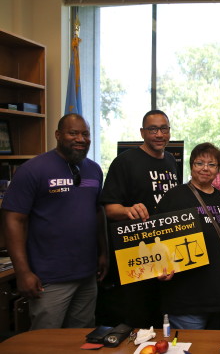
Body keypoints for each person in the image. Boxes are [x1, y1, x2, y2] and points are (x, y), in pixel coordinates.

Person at [1, 114, 107, 330]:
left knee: (81, 339)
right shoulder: (33, 170)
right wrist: (22, 272)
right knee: (45, 343)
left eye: (85, 134)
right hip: (49, 278)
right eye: (73, 133)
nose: (80, 138)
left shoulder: (94, 170)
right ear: (58, 135)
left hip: (87, 275)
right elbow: (13, 219)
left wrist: (103, 252)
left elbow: (98, 212)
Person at [100, 109, 179, 328]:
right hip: (135, 254)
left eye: (164, 129)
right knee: (136, 320)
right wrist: (128, 210)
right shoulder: (125, 161)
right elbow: (108, 208)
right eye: (153, 129)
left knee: (160, 318)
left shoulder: (171, 161)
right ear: (142, 132)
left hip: (164, 250)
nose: (159, 134)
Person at [156, 142, 220, 330]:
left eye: (211, 165)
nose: (205, 169)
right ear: (191, 165)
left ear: (218, 169)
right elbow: (156, 240)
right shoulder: (175, 197)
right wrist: (160, 268)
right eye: (199, 163)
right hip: (188, 299)